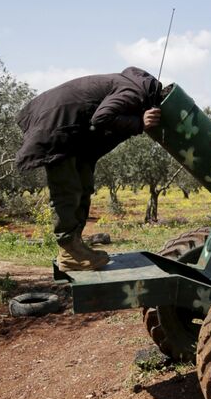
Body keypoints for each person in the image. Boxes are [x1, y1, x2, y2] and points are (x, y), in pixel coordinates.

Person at [15, 66, 162, 271]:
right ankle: (69, 250)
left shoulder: (129, 86)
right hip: (57, 127)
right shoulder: (135, 93)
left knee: (83, 185)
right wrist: (140, 123)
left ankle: (75, 248)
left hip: (70, 131)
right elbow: (101, 117)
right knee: (68, 189)